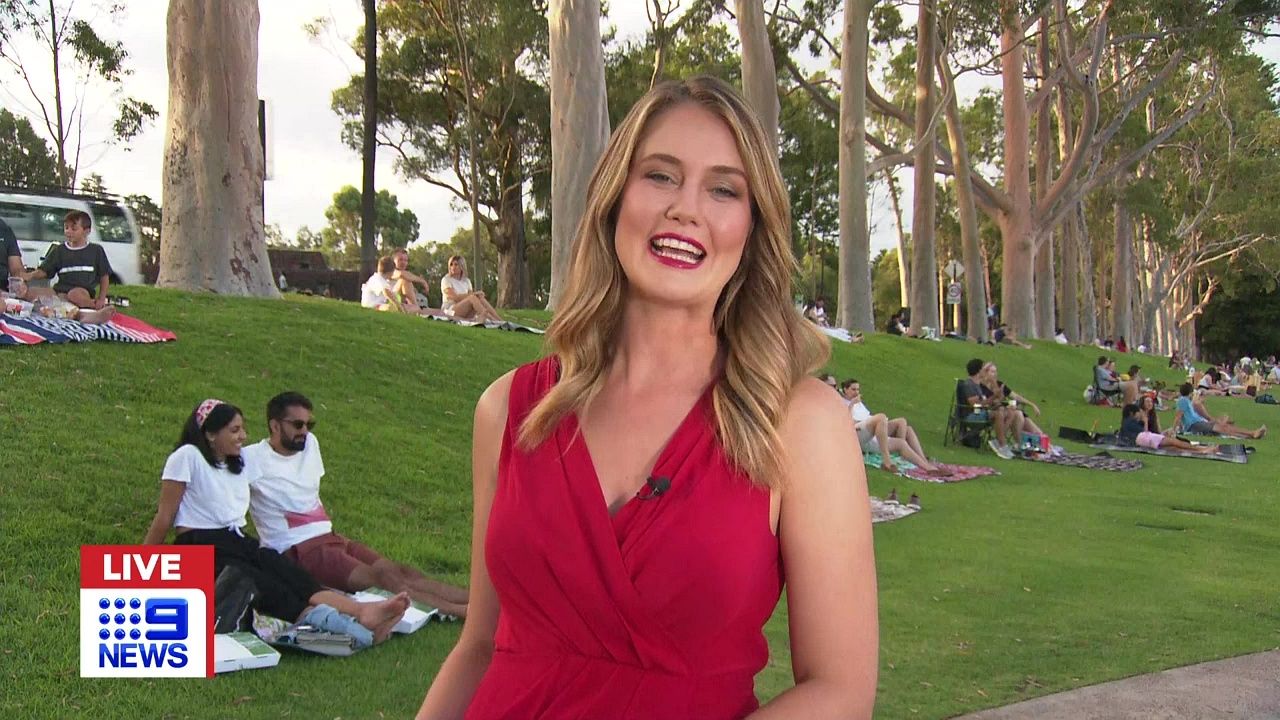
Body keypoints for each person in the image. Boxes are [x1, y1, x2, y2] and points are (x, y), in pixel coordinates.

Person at [418, 77, 877, 719]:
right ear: (614, 198)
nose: (685, 209)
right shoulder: (509, 410)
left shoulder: (800, 424)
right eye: (660, 176)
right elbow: (479, 648)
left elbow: (840, 691)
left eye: (723, 189)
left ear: (752, 226)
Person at [141, 399, 410, 647]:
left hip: (236, 540)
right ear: (210, 434)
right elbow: (164, 517)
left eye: (243, 429)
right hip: (201, 545)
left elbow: (278, 478)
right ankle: (349, 630)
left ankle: (362, 612)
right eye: (234, 430)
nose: (243, 436)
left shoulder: (237, 464)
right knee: (266, 584)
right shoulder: (187, 457)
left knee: (288, 571)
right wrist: (142, 570)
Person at [245, 392, 469, 618]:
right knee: (382, 580)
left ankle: (478, 600)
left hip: (331, 537)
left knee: (399, 571)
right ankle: (462, 612)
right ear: (275, 426)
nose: (305, 431)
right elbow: (226, 492)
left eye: (309, 424)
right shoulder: (252, 458)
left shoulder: (310, 444)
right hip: (300, 550)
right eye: (298, 425)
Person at [18, 210, 117, 323]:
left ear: (86, 231)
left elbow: (104, 276)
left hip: (81, 292)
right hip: (60, 292)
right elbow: (45, 271)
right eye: (66, 228)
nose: (69, 232)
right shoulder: (60, 250)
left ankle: (93, 308)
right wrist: (30, 275)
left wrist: (101, 298)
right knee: (31, 292)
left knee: (75, 295)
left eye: (74, 229)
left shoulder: (96, 250)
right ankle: (64, 312)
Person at [841, 379, 951, 477]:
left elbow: (867, 416)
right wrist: (852, 404)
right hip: (856, 431)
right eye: (853, 389)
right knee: (881, 417)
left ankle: (928, 467)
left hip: (870, 430)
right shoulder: (842, 402)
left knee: (901, 437)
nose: (856, 392)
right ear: (845, 390)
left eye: (858, 389)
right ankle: (887, 462)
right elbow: (844, 421)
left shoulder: (859, 403)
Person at [959, 358, 1019, 459]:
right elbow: (975, 405)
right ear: (979, 371)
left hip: (980, 413)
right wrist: (993, 397)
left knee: (1009, 411)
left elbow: (988, 401)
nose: (985, 371)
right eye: (984, 368)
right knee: (998, 413)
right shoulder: (969, 384)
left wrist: (995, 394)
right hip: (971, 416)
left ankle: (998, 441)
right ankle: (1002, 446)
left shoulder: (977, 384)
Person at [1174, 383, 1266, 439]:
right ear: (1190, 392)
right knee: (1223, 428)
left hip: (1198, 423)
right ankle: (1252, 433)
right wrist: (1174, 430)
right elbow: (1178, 416)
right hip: (1195, 425)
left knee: (1224, 427)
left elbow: (1183, 417)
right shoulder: (1183, 401)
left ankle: (1251, 434)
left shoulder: (1186, 401)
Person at [979, 362, 1044, 439]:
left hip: (1008, 411)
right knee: (1018, 414)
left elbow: (1016, 396)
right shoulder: (980, 387)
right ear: (985, 372)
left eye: (996, 372)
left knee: (1039, 434)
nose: (995, 374)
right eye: (992, 372)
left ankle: (1041, 445)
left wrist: (1032, 405)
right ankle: (1015, 442)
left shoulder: (999, 384)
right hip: (996, 414)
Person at [1119, 402, 1217, 454]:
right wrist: (1145, 421)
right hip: (1144, 439)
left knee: (1172, 448)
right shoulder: (1131, 422)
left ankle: (1201, 451)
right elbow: (1145, 433)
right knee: (1175, 442)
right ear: (1131, 413)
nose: (1139, 415)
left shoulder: (1125, 423)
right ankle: (1201, 449)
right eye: (1137, 413)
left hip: (1142, 441)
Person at [440, 255, 502, 323]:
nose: (453, 267)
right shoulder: (446, 279)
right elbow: (455, 297)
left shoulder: (467, 281)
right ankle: (491, 319)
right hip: (449, 310)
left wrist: (477, 295)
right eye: (451, 265)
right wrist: (474, 294)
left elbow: (471, 297)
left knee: (480, 298)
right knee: (472, 297)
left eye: (456, 265)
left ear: (462, 266)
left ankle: (499, 320)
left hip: (465, 310)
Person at [389, 248, 437, 312]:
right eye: (400, 260)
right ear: (393, 261)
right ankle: (416, 308)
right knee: (404, 280)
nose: (403, 262)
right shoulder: (390, 271)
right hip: (391, 302)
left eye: (406, 260)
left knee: (440, 312)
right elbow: (402, 274)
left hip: (402, 303)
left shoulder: (406, 275)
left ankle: (415, 308)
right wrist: (423, 281)